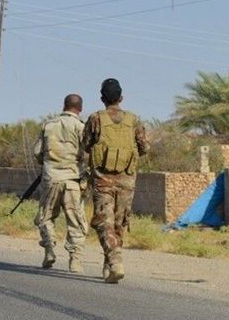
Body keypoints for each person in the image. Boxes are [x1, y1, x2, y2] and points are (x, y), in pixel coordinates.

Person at [79, 78, 149, 284]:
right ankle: (111, 262)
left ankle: (114, 261)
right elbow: (145, 148)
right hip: (127, 180)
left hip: (103, 180)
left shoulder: (95, 119)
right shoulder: (134, 120)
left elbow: (85, 145)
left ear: (102, 99)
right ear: (121, 98)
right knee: (119, 223)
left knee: (104, 221)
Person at [33, 94, 87, 273]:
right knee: (76, 220)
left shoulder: (48, 125)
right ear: (80, 108)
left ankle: (49, 249)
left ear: (64, 105)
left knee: (46, 216)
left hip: (51, 179)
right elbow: (88, 154)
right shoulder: (81, 127)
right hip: (73, 180)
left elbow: (38, 152)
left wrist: (49, 162)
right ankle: (75, 260)